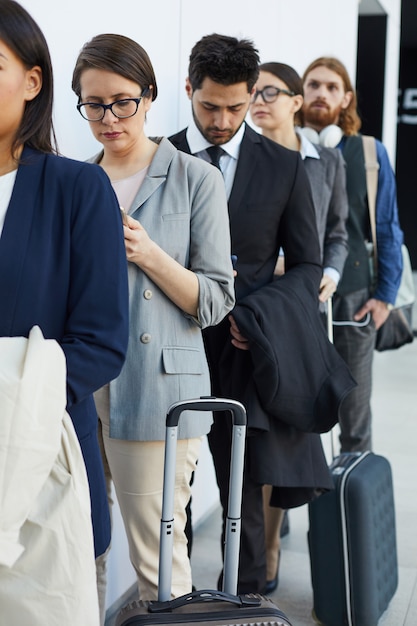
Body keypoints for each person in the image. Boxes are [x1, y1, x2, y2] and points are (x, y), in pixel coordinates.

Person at [169, 34, 349, 595]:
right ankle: (173, 593)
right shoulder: (160, 156)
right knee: (171, 484)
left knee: (241, 484)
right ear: (188, 90)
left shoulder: (287, 167)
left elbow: (306, 266)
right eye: (209, 106)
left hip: (244, 347)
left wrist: (258, 316)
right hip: (170, 345)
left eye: (235, 106)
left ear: (253, 97)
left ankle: (240, 597)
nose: (222, 120)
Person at [71, 33, 235, 615]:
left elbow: (215, 301)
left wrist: (150, 255)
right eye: (93, 104)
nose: (109, 117)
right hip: (78, 391)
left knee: (159, 559)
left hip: (160, 389)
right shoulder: (76, 181)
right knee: (75, 548)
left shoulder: (196, 179)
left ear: (149, 95)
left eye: (123, 101)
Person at [0, 1, 129, 623]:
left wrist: (12, 389)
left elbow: (102, 341)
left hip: (44, 463)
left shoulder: (75, 189)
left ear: (32, 81)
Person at [249, 61, 349, 593]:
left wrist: (326, 272)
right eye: (254, 92)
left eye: (270, 92)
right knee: (260, 432)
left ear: (293, 102)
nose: (259, 100)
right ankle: (259, 549)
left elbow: (337, 232)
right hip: (255, 305)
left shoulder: (326, 161)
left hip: (301, 310)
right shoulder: (242, 160)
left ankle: (268, 547)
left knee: (287, 431)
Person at [301, 57, 404, 453]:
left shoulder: (370, 153)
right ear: (300, 95)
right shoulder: (281, 149)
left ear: (346, 98)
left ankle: (349, 509)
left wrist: (385, 297)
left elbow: (388, 227)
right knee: (293, 416)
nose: (321, 93)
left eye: (330, 87)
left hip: (356, 299)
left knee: (354, 417)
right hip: (295, 293)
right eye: (313, 85)